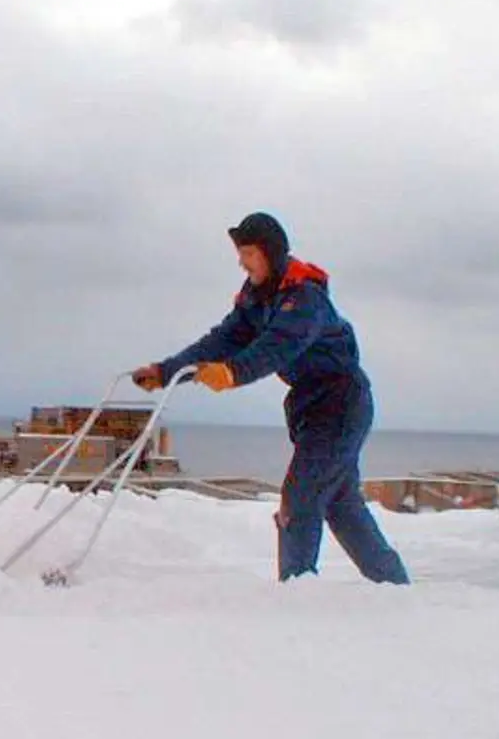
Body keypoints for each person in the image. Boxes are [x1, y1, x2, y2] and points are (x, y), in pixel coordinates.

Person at [131, 211, 411, 585]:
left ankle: (296, 591)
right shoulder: (256, 299)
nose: (241, 262)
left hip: (341, 402)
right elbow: (221, 340)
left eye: (248, 253)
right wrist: (167, 372)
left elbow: (277, 347)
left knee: (301, 497)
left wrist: (232, 373)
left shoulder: (304, 298)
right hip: (310, 407)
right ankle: (393, 587)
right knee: (342, 505)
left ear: (270, 253)